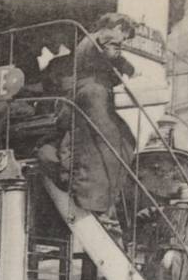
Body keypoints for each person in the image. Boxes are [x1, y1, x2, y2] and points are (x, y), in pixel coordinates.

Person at [37, 12, 138, 224]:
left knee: (107, 143)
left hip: (86, 92)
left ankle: (98, 196)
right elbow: (112, 51)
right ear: (118, 26)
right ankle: (98, 199)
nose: (124, 38)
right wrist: (129, 67)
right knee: (114, 143)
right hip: (95, 95)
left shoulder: (87, 39)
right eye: (125, 33)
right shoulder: (108, 34)